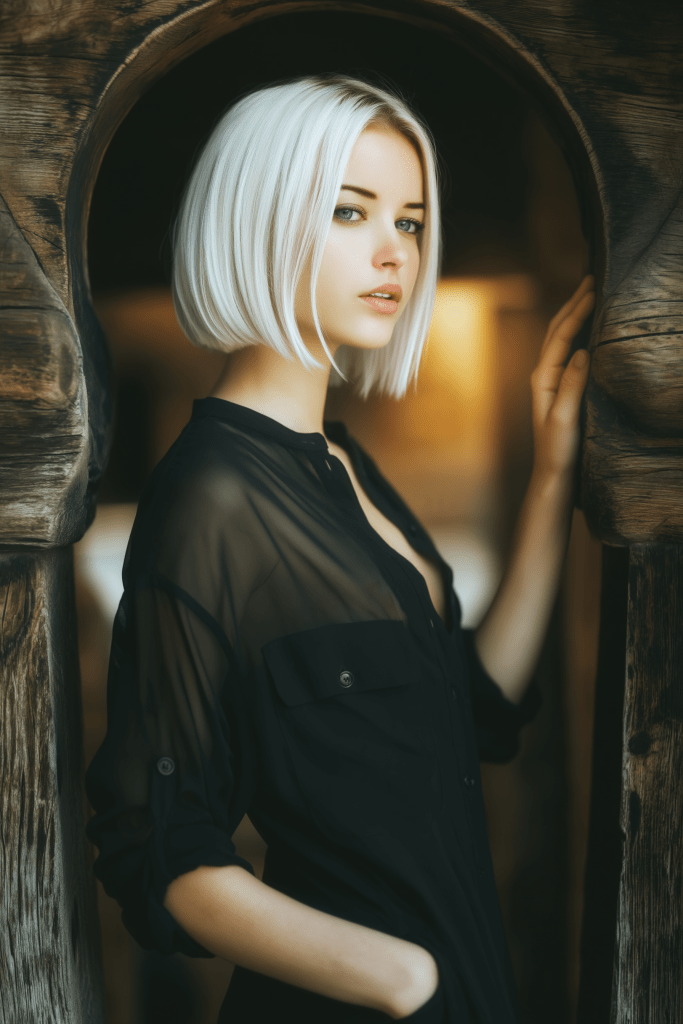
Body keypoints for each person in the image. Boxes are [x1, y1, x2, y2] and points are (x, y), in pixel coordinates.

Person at [84, 75, 595, 1023]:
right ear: (258, 215)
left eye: (408, 221)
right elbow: (159, 849)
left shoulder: (342, 460)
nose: (391, 252)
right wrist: (400, 979)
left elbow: (475, 705)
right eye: (349, 210)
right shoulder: (209, 498)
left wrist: (551, 479)